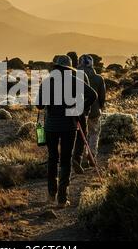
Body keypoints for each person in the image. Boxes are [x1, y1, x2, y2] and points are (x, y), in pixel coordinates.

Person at [36, 55, 97, 208]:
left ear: (55, 67)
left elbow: (39, 106)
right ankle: (62, 199)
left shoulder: (46, 82)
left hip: (51, 126)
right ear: (69, 68)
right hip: (69, 125)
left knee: (52, 159)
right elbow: (93, 95)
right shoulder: (75, 81)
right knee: (66, 160)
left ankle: (51, 195)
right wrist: (79, 108)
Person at [73, 54, 106, 170]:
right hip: (95, 111)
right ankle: (91, 155)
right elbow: (102, 96)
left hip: (79, 111)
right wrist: (100, 107)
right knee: (94, 133)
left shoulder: (74, 77)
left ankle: (81, 159)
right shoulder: (98, 78)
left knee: (81, 136)